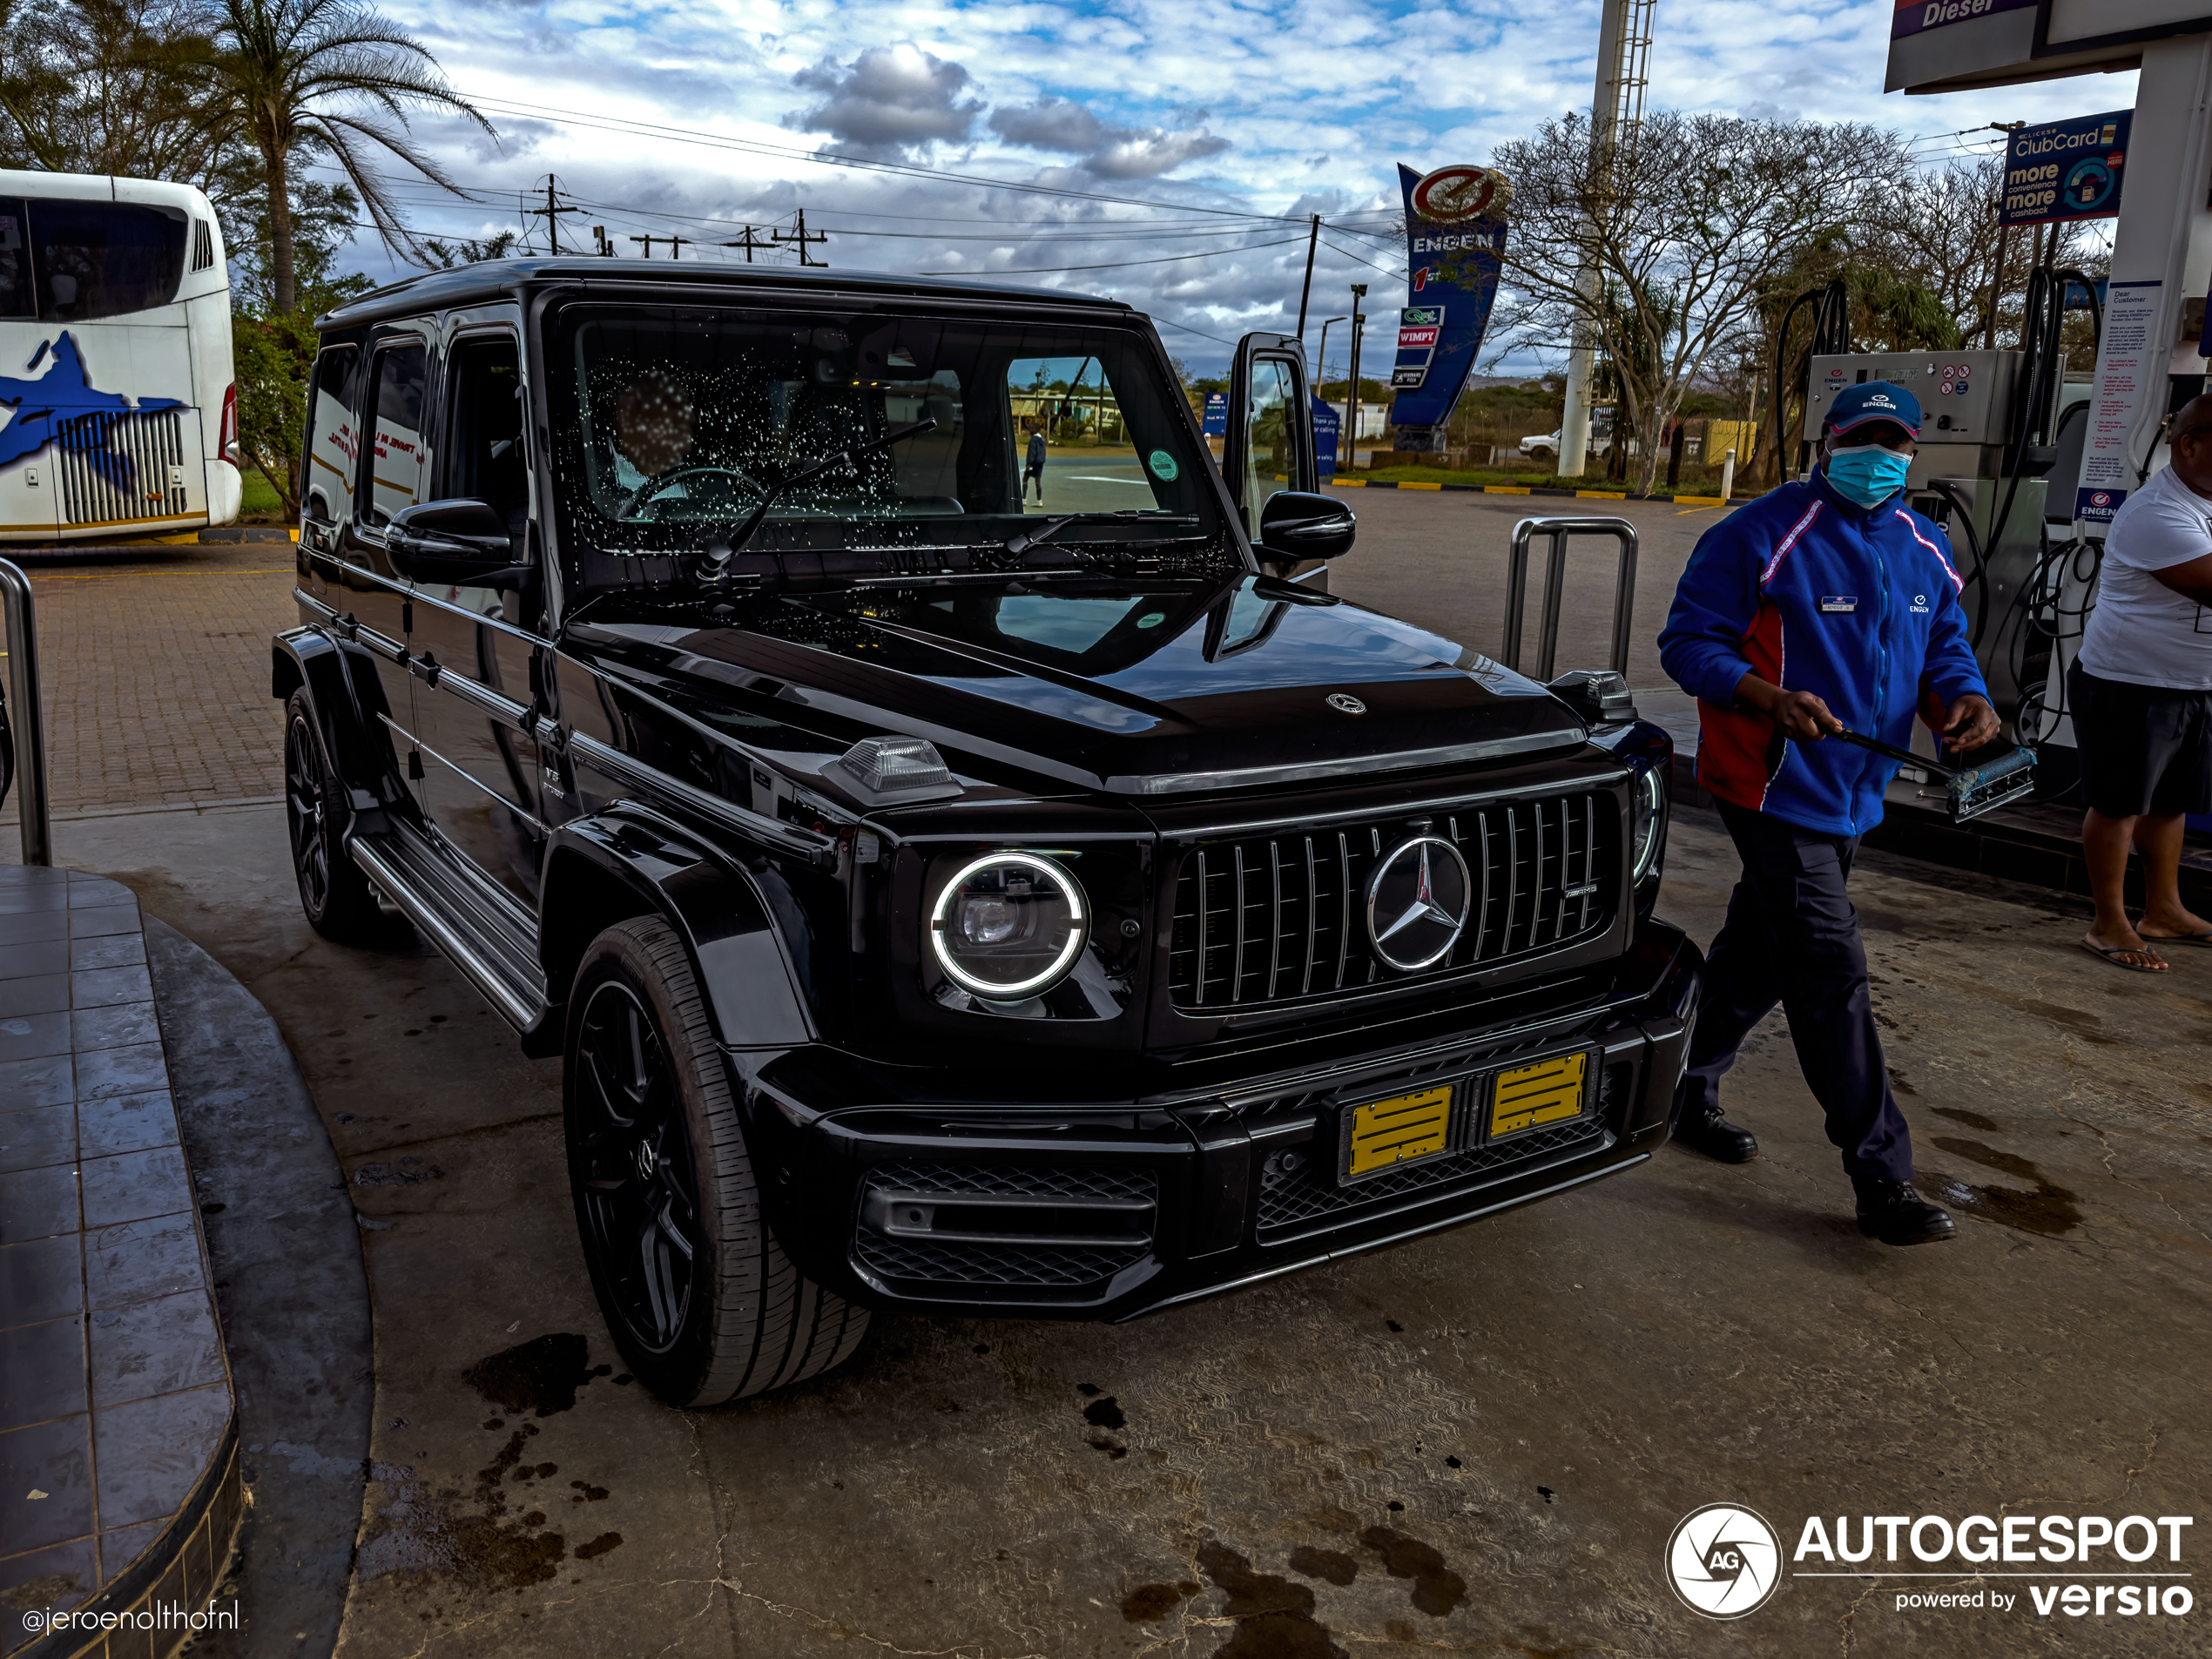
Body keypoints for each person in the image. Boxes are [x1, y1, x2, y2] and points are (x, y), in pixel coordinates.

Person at [1657, 381, 2001, 1247]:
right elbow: (1686, 644)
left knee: (1762, 954)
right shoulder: (1758, 535)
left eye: (1893, 444)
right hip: (1768, 786)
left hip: (1854, 794)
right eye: (1860, 440)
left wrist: (1963, 699)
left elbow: (1942, 646)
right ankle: (1880, 1175)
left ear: (1912, 454)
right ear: (1825, 445)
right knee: (1827, 969)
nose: (1875, 457)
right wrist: (1763, 696)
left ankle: (1678, 1080)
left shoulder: (1924, 545)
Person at [2067, 393, 2212, 970]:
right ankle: (2109, 923)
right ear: (2189, 445)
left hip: (2194, 684)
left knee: (2172, 803)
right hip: (2129, 683)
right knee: (2119, 804)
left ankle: (2164, 910)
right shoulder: (2157, 512)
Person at [1023, 422, 1047, 503]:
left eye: (1031, 428)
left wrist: (1029, 464)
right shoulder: (1042, 440)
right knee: (1038, 482)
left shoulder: (1033, 440)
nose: (1030, 430)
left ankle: (1024, 499)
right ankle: (1039, 500)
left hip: (1033, 463)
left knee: (1025, 479)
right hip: (1040, 463)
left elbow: (1031, 452)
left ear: (1035, 430)